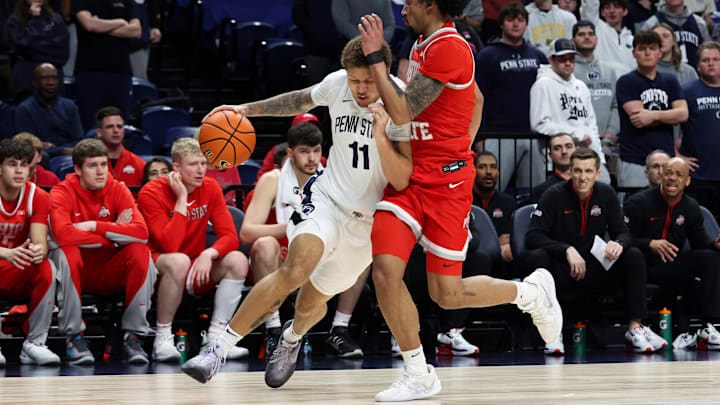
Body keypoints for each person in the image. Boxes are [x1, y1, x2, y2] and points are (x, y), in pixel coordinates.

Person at [359, 4, 561, 401]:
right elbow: (478, 99)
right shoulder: (423, 43)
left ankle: (530, 294)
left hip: (447, 187)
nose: (403, 7)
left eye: (412, 1)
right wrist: (457, 143)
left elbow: (402, 109)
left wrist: (374, 56)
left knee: (446, 294)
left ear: (431, 4)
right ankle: (418, 372)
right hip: (409, 177)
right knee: (384, 269)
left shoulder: (450, 47)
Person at [181, 37, 410, 387]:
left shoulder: (401, 101)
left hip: (366, 223)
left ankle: (291, 337)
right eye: (354, 80)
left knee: (311, 304)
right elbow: (299, 99)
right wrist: (245, 109)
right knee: (294, 270)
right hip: (328, 200)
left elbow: (401, 176)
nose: (361, 89)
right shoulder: (337, 84)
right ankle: (218, 350)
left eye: (368, 81)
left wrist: (381, 136)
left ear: (383, 71)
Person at [525, 148, 665, 355]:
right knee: (537, 257)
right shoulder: (553, 195)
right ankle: (552, 333)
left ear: (598, 174)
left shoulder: (606, 193)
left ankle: (636, 328)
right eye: (578, 171)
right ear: (571, 171)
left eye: (589, 171)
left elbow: (623, 232)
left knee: (632, 254)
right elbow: (532, 237)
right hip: (563, 270)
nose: (583, 177)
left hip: (595, 270)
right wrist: (566, 250)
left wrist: (619, 243)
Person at [137, 137, 249, 362]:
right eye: (193, 164)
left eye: (203, 163)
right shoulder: (150, 192)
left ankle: (217, 338)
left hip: (194, 266)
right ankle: (162, 338)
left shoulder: (210, 188)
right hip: (158, 270)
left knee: (237, 260)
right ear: (176, 167)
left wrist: (210, 253)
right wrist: (181, 198)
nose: (201, 170)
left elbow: (230, 236)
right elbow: (170, 245)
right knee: (178, 260)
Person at [49, 138, 156, 365]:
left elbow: (141, 233)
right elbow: (63, 235)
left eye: (104, 165)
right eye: (92, 166)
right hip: (77, 271)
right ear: (77, 169)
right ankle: (74, 337)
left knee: (140, 252)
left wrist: (95, 226)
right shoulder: (62, 192)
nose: (100, 172)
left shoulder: (117, 189)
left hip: (109, 269)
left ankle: (134, 336)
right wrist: (114, 235)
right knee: (66, 252)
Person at [623, 158, 720, 350]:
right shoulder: (639, 202)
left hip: (671, 267)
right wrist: (649, 243)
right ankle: (637, 327)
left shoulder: (690, 207)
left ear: (687, 181)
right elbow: (620, 239)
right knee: (632, 254)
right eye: (668, 173)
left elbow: (700, 244)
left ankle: (709, 326)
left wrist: (714, 244)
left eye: (678, 174)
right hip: (640, 266)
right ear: (661, 175)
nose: (672, 178)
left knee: (712, 258)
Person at [475, 2, 548, 191]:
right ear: (501, 24)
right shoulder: (487, 56)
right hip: (497, 135)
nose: (516, 24)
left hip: (534, 136)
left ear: (526, 24)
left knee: (534, 194)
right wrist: (479, 137)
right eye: (510, 20)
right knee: (491, 191)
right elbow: (476, 98)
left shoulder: (539, 57)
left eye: (521, 20)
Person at [0, 139, 60, 366]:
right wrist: (6, 253)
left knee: (45, 266)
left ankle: (35, 343)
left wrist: (38, 251)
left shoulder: (38, 196)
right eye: (12, 164)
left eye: (24, 164)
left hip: (15, 266)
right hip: (5, 259)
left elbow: (40, 241)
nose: (18, 170)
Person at [530, 38, 610, 183]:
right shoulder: (543, 84)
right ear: (551, 59)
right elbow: (539, 123)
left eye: (571, 59)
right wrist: (575, 134)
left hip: (588, 155)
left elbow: (591, 124)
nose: (568, 63)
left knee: (604, 185)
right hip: (560, 160)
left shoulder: (581, 86)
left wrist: (599, 155)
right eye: (562, 59)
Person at [616, 30, 688, 188]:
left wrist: (653, 115)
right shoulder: (626, 81)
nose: (647, 53)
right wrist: (669, 116)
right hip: (635, 160)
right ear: (634, 53)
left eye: (653, 48)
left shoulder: (670, 81)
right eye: (642, 49)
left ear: (660, 53)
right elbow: (639, 120)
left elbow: (683, 114)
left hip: (666, 161)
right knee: (634, 208)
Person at [72, 0, 141, 130]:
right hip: (90, 71)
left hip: (121, 72)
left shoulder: (128, 2)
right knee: (91, 125)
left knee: (119, 126)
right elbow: (89, 25)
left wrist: (100, 26)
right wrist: (119, 22)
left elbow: (135, 31)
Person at [572, 20, 621, 171]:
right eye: (581, 34)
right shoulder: (569, 70)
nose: (587, 37)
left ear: (596, 39)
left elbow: (615, 105)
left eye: (590, 34)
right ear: (572, 40)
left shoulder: (609, 70)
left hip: (607, 143)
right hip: (579, 142)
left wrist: (610, 133)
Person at [680, 41, 720, 222]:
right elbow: (668, 127)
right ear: (698, 66)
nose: (711, 63)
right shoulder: (687, 92)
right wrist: (676, 155)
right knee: (700, 227)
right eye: (705, 60)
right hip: (698, 175)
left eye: (716, 59)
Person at [14, 63, 83, 157]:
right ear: (35, 82)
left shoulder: (70, 106)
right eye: (44, 78)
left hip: (70, 153)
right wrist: (60, 151)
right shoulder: (25, 109)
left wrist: (65, 150)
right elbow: (27, 146)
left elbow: (78, 138)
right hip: (42, 158)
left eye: (54, 78)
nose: (50, 82)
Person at [6, 0, 69, 100]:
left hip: (54, 77)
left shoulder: (56, 20)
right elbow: (22, 46)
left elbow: (62, 54)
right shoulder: (14, 21)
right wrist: (36, 19)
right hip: (26, 78)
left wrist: (31, 52)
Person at [472, 151, 516, 264]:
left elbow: (508, 238)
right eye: (482, 167)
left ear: (498, 172)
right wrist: (496, 241)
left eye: (493, 167)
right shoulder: (464, 201)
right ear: (472, 171)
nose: (488, 172)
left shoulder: (508, 202)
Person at [640, 0, 711, 68]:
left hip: (696, 76)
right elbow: (642, 56)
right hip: (662, 77)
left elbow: (709, 54)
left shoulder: (699, 23)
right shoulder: (651, 24)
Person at [579, 0, 635, 75]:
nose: (612, 11)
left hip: (627, 84)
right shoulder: (596, 28)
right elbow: (590, 6)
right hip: (602, 81)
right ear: (602, 12)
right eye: (607, 8)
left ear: (625, 11)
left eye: (617, 7)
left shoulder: (632, 40)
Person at [95, 106, 146, 187]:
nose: (115, 130)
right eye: (110, 127)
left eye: (119, 126)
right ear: (99, 132)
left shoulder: (139, 164)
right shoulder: (89, 164)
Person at [531, 133, 576, 203]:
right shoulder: (541, 190)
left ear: (576, 151)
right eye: (557, 148)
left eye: (568, 147)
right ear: (550, 155)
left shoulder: (588, 184)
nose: (564, 151)